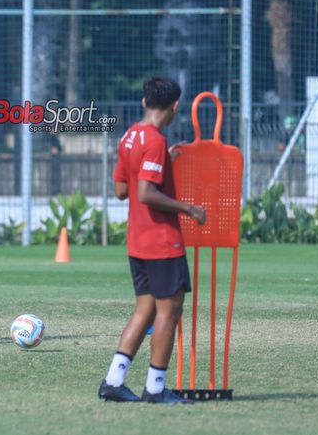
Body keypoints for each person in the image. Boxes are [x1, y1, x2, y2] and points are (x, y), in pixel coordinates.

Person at [98, 77, 206, 403]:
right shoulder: (155, 140)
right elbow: (145, 193)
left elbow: (121, 191)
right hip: (162, 240)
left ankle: (114, 381)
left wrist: (161, 163)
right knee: (168, 312)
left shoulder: (130, 136)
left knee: (144, 309)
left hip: (137, 240)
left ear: (144, 103)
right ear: (175, 107)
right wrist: (189, 208)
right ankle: (156, 388)